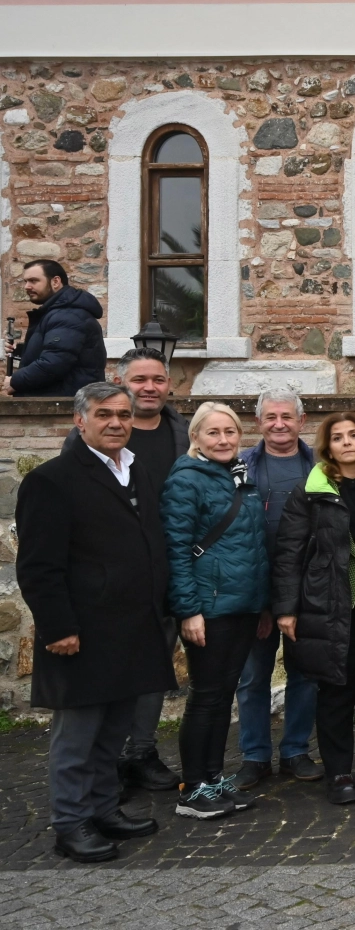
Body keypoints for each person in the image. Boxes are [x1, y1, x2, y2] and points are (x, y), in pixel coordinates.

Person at [17, 383, 174, 862]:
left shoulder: (137, 471)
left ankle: (105, 809)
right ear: (79, 420)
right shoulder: (52, 479)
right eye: (104, 414)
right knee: (78, 737)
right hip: (82, 633)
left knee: (114, 733)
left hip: (133, 628)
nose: (116, 423)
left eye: (123, 415)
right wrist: (58, 627)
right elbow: (39, 566)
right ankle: (71, 823)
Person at [59, 348, 188, 793]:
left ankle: (142, 752)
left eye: (157, 379)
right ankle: (102, 767)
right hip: (109, 587)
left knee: (152, 669)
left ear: (168, 386)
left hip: (169, 573)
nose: (149, 387)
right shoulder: (84, 446)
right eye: (139, 380)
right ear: (121, 383)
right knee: (110, 675)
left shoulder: (184, 434)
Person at [272, 412, 355, 806]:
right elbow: (289, 553)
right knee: (336, 687)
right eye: (338, 437)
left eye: (353, 435)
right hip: (328, 601)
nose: (346, 442)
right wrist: (286, 609)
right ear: (327, 446)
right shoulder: (310, 490)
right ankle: (340, 769)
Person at [162, 401, 270, 820]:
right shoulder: (186, 481)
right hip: (209, 607)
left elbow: (254, 547)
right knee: (206, 697)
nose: (223, 439)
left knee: (223, 697)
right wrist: (188, 611)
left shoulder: (238, 476)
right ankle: (192, 788)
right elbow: (176, 550)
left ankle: (211, 777)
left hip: (241, 604)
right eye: (213, 433)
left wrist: (261, 604)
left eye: (230, 432)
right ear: (196, 439)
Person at [233, 390, 321, 788]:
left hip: (307, 587)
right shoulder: (239, 467)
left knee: (305, 673)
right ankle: (254, 756)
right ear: (258, 423)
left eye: (287, 416)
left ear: (302, 422)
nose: (279, 424)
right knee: (252, 677)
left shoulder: (319, 467)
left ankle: (295, 751)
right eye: (270, 417)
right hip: (253, 587)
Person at [3, 259, 107, 398]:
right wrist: (20, 350)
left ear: (56, 282)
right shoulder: (59, 313)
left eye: (33, 281)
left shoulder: (68, 315)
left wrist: (15, 381)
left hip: (62, 407)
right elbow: (58, 351)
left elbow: (54, 364)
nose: (27, 286)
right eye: (25, 281)